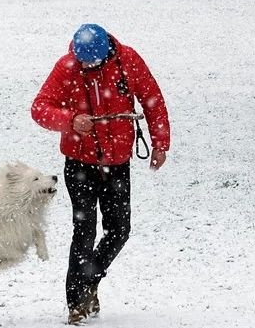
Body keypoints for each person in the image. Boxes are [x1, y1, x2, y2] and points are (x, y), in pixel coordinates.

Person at [31, 23, 170, 325]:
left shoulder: (128, 60)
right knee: (84, 232)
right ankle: (76, 303)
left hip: (118, 163)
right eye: (81, 61)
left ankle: (90, 280)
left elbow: (152, 100)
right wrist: (70, 120)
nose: (85, 66)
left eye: (90, 62)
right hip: (79, 164)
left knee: (120, 230)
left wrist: (160, 144)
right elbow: (39, 108)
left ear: (106, 52)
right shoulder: (67, 67)